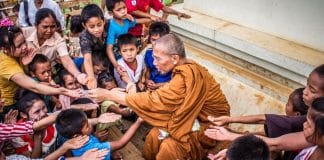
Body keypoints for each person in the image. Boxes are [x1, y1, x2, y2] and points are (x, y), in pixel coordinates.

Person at [88, 33, 230, 159]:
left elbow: (156, 101)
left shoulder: (190, 73)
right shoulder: (186, 67)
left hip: (209, 126)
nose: (154, 63)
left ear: (174, 58)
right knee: (154, 136)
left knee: (169, 148)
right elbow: (170, 95)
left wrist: (109, 95)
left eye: (158, 59)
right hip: (192, 117)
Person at [0, 25, 81, 121]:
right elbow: (34, 86)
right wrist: (66, 91)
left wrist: (23, 63)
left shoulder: (18, 53)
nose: (25, 47)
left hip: (23, 91)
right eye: (19, 46)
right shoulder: (5, 65)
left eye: (24, 42)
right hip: (11, 104)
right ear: (5, 50)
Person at [22, 8, 87, 86]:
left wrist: (78, 74)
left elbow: (65, 59)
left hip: (48, 77)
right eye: (45, 27)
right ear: (36, 25)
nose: (49, 30)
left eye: (53, 26)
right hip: (25, 76)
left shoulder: (58, 39)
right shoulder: (24, 33)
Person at [55, 108, 142, 160]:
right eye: (87, 125)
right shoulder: (94, 149)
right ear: (77, 136)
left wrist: (95, 137)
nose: (90, 125)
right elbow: (121, 143)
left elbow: (68, 153)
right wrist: (139, 121)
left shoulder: (66, 138)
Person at [105, 0, 150, 74]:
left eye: (124, 8)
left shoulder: (126, 21)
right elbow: (109, 48)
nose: (123, 11)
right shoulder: (112, 26)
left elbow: (145, 21)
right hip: (116, 56)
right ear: (111, 13)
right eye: (118, 10)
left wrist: (132, 19)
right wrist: (116, 65)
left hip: (126, 52)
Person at [12, 91, 57, 157]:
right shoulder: (18, 135)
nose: (43, 114)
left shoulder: (51, 119)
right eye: (37, 111)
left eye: (44, 107)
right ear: (24, 115)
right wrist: (37, 137)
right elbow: (32, 158)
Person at [80, 4, 110, 89]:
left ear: (103, 21)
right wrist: (91, 78)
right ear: (85, 26)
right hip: (95, 61)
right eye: (92, 27)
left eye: (99, 25)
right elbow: (87, 59)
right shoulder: (84, 37)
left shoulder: (109, 24)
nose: (96, 29)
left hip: (108, 56)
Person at [125, 0, 191, 38]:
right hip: (129, 30)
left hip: (141, 29)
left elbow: (163, 8)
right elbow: (133, 10)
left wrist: (177, 13)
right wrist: (151, 16)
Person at [143, 21, 171, 91]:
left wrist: (159, 85)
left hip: (167, 87)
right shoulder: (148, 53)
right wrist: (147, 80)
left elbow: (176, 79)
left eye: (160, 40)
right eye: (153, 40)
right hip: (152, 84)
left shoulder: (172, 56)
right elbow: (148, 70)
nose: (156, 43)